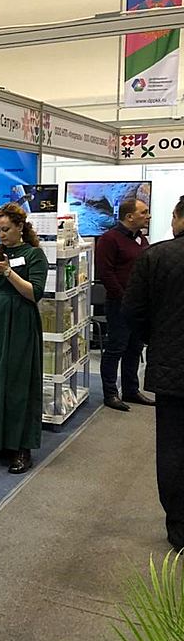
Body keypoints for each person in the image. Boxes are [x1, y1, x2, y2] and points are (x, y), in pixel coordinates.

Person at [123, 196, 184, 553]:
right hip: (171, 363)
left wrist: (156, 339)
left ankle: (179, 527)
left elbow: (133, 311)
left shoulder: (156, 256)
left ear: (178, 217)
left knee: (173, 448)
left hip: (172, 368)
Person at [0, 202, 48, 474]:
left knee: (20, 381)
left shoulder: (34, 255)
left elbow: (34, 293)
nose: (1, 235)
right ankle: (1, 441)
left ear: (20, 227)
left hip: (21, 320)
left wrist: (8, 272)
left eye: (5, 229)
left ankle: (22, 448)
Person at [95, 198, 152, 411]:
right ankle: (110, 393)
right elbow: (106, 273)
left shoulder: (141, 239)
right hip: (119, 305)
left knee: (134, 348)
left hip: (138, 305)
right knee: (116, 348)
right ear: (129, 216)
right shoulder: (109, 239)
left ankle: (131, 390)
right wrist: (124, 298)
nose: (148, 216)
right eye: (143, 212)